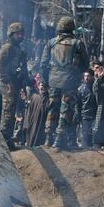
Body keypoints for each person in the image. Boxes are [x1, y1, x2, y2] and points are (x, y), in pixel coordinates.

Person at [40, 16, 89, 149]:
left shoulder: (51, 43)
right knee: (66, 110)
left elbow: (43, 64)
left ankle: (48, 138)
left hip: (53, 82)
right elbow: (86, 64)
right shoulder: (78, 44)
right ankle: (59, 140)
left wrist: (46, 80)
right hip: (70, 82)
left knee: (52, 109)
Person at [0, 22, 28, 148]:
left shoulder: (18, 49)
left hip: (14, 82)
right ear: (12, 34)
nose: (21, 36)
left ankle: (7, 138)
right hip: (6, 83)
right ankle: (2, 139)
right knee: (7, 110)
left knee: (12, 110)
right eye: (18, 34)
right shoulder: (7, 47)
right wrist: (8, 80)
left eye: (22, 34)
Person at [77, 70, 97, 147]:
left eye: (88, 76)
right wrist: (79, 116)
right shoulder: (80, 89)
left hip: (94, 114)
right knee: (83, 135)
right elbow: (78, 104)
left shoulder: (96, 87)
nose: (86, 78)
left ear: (92, 77)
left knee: (95, 134)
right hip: (84, 115)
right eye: (85, 76)